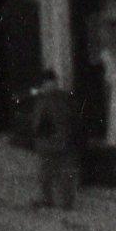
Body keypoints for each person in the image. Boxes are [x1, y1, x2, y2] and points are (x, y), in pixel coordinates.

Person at [18, 69, 84, 214]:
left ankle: (51, 199)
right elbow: (74, 118)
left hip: (49, 142)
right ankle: (65, 201)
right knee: (61, 172)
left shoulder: (43, 100)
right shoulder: (64, 97)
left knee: (48, 172)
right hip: (62, 141)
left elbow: (37, 123)